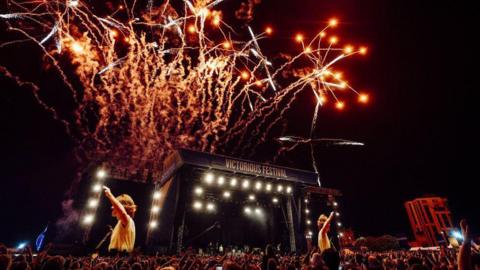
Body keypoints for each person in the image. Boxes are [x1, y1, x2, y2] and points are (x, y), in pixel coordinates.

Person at [102, 186, 137, 253]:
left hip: (118, 256)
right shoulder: (123, 222)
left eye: (115, 205)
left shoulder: (128, 220)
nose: (112, 207)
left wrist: (110, 195)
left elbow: (122, 212)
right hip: (116, 256)